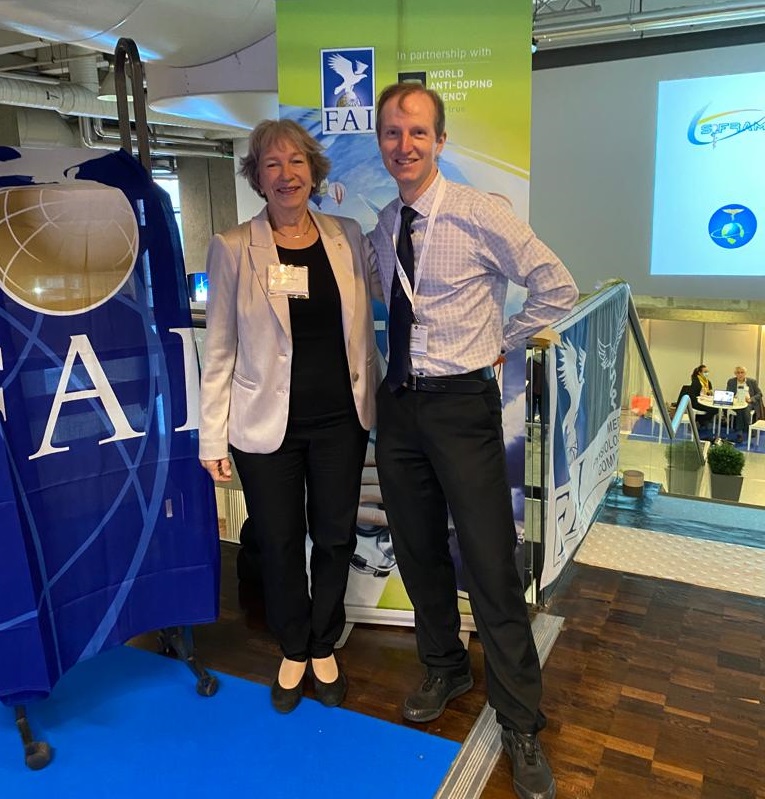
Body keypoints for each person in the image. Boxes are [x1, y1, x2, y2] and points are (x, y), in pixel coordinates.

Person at [367, 82, 578, 799]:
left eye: (417, 132)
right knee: (417, 547)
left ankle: (519, 718)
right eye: (392, 132)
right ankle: (445, 666)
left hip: (461, 404)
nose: (404, 145)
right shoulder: (382, 223)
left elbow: (556, 286)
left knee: (488, 560)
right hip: (399, 405)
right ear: (380, 141)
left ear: (440, 140)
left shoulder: (479, 212)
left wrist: (501, 339)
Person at [199, 119, 379, 713]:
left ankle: (324, 643)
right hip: (263, 426)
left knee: (334, 537)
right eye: (271, 164)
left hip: (340, 422)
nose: (286, 174)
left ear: (313, 172)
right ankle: (294, 647)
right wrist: (211, 438)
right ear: (257, 176)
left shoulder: (347, 236)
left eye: (296, 162)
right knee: (278, 543)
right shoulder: (232, 246)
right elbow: (218, 348)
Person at [726, 366, 763, 443]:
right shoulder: (731, 381)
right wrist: (734, 398)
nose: (740, 374)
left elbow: (759, 394)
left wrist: (751, 399)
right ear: (735, 374)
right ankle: (748, 428)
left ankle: (740, 432)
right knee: (740, 409)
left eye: (742, 372)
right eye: (738, 373)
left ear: (745, 373)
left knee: (743, 409)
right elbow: (728, 393)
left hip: (748, 402)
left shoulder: (752, 381)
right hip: (736, 403)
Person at [687, 364, 716, 431]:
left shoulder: (708, 382)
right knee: (713, 409)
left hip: (706, 401)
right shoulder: (696, 381)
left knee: (716, 409)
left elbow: (709, 393)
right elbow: (693, 395)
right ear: (700, 373)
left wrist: (710, 393)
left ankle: (700, 420)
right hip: (697, 402)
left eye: (707, 371)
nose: (707, 373)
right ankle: (700, 421)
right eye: (705, 372)